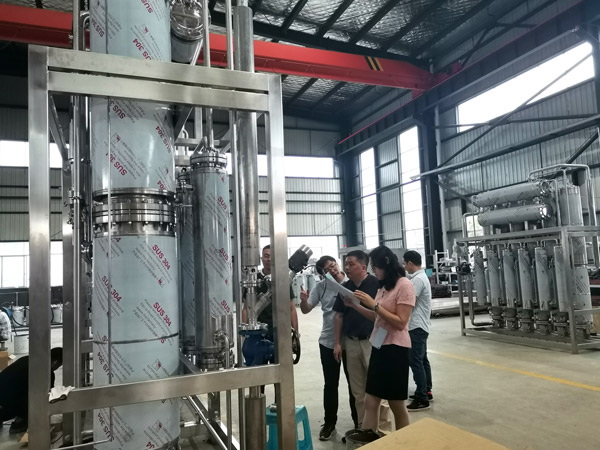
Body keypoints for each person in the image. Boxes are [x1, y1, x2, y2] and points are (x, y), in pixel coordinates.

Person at [344, 246, 415, 441]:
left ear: (385, 264)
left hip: (395, 349)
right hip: (378, 345)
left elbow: (400, 322)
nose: (374, 271)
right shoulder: (384, 286)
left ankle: (403, 442)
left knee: (395, 403)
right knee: (371, 399)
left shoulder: (404, 285)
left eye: (375, 267)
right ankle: (370, 438)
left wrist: (373, 304)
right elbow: (378, 317)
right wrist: (356, 306)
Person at [299, 256, 357, 441]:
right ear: (322, 274)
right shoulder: (321, 287)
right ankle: (329, 424)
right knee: (330, 384)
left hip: (350, 341)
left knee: (355, 385)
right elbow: (306, 309)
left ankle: (359, 424)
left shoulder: (352, 283)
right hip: (328, 342)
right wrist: (304, 300)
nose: (332, 270)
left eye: (333, 265)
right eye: (327, 269)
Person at [332, 250, 381, 431]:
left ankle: (382, 430)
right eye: (346, 264)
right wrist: (338, 343)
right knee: (358, 390)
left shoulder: (377, 285)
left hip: (373, 341)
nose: (347, 267)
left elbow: (381, 316)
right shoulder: (345, 288)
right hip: (351, 342)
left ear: (363, 266)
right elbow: (338, 316)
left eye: (351, 264)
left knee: (378, 389)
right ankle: (363, 428)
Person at [242, 245, 298, 357]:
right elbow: (246, 309)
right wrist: (245, 334)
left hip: (279, 331)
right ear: (261, 258)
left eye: (272, 256)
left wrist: (295, 334)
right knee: (258, 364)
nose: (269, 259)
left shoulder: (283, 280)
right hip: (258, 331)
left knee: (281, 364)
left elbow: (291, 308)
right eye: (266, 256)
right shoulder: (253, 279)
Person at [0, 347, 63, 434]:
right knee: (39, 403)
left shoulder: (28, 358)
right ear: (55, 362)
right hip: (8, 399)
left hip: (4, 392)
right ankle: (19, 424)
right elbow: (49, 396)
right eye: (59, 366)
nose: (57, 368)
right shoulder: (46, 372)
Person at [404, 250, 433, 411]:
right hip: (422, 325)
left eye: (405, 263)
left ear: (410, 263)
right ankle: (426, 390)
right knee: (422, 359)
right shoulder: (421, 277)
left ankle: (422, 397)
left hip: (416, 326)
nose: (404, 267)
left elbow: (409, 303)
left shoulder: (417, 280)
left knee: (415, 361)